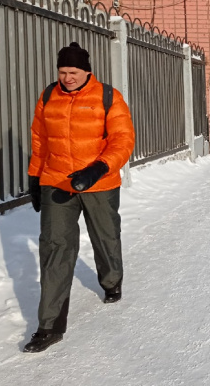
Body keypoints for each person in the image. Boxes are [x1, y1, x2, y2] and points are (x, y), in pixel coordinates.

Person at [23, 42, 136, 353]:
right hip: (57, 182)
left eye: (73, 72)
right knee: (55, 247)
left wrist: (98, 168)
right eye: (62, 72)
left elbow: (123, 139)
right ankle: (49, 326)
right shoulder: (48, 96)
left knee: (106, 236)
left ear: (87, 72)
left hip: (99, 183)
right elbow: (40, 139)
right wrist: (35, 177)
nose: (67, 78)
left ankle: (112, 281)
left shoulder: (108, 97)